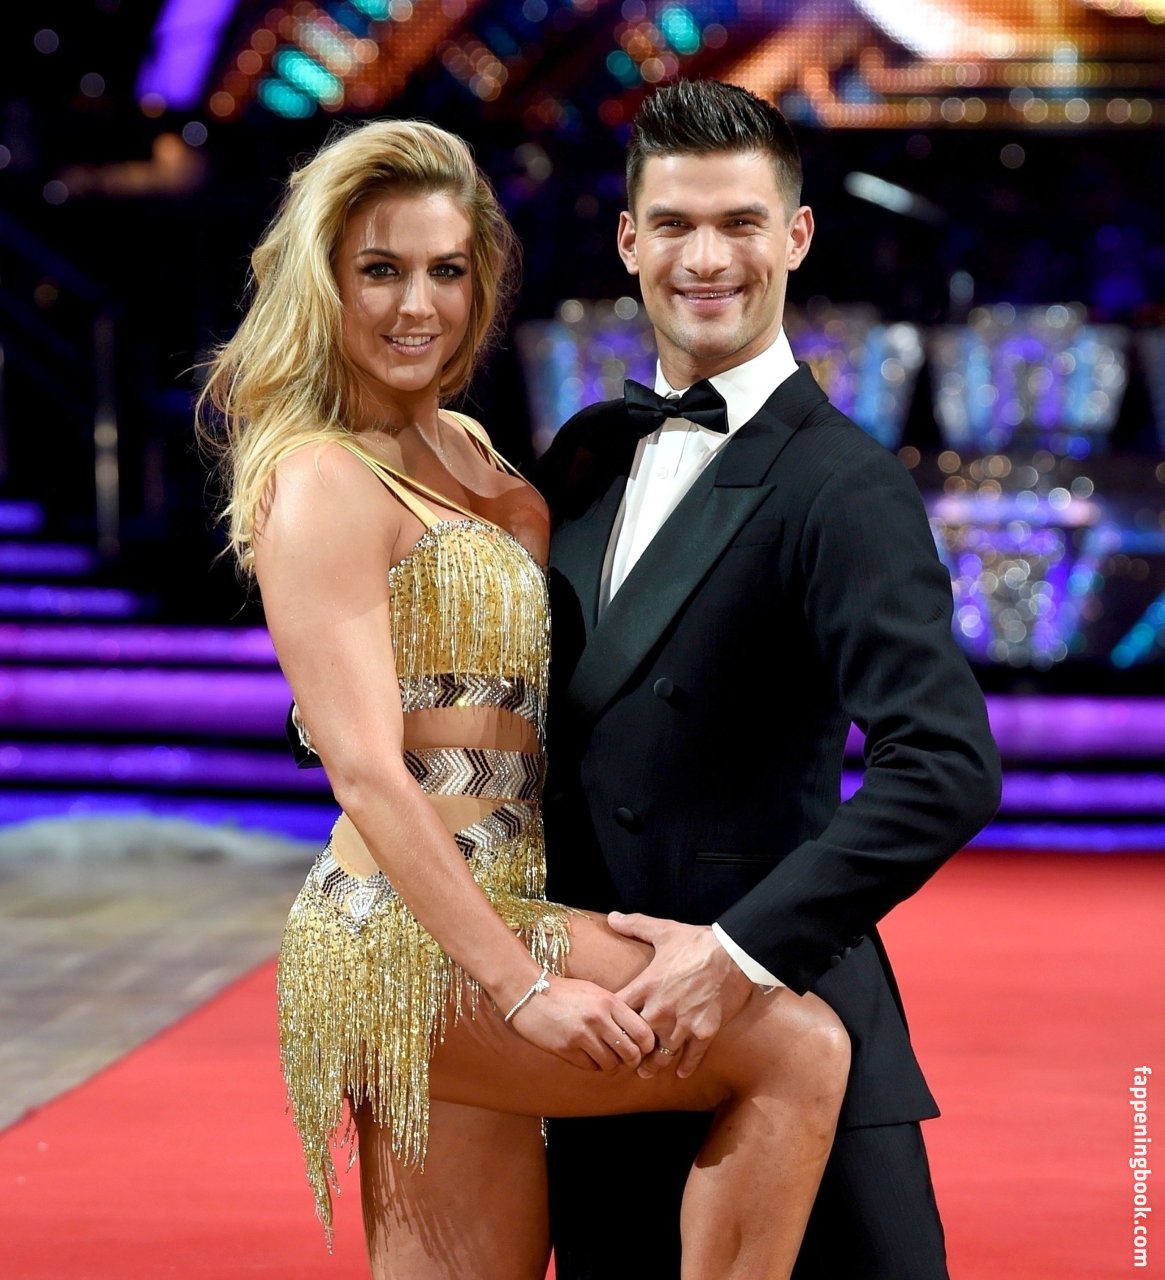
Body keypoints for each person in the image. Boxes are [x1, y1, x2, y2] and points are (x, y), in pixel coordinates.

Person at [198, 117, 851, 1280]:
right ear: (325, 283)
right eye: (380, 270)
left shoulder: (468, 445)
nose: (417, 305)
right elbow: (365, 768)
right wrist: (522, 984)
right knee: (797, 1048)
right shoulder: (321, 474)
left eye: (446, 270)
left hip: (502, 901)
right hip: (405, 934)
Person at [532, 79, 1003, 1280]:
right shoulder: (584, 455)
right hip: (608, 1046)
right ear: (627, 239)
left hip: (785, 1035)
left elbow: (945, 763)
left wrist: (738, 952)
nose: (706, 259)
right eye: (675, 224)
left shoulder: (842, 482)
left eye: (739, 223)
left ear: (795, 236)